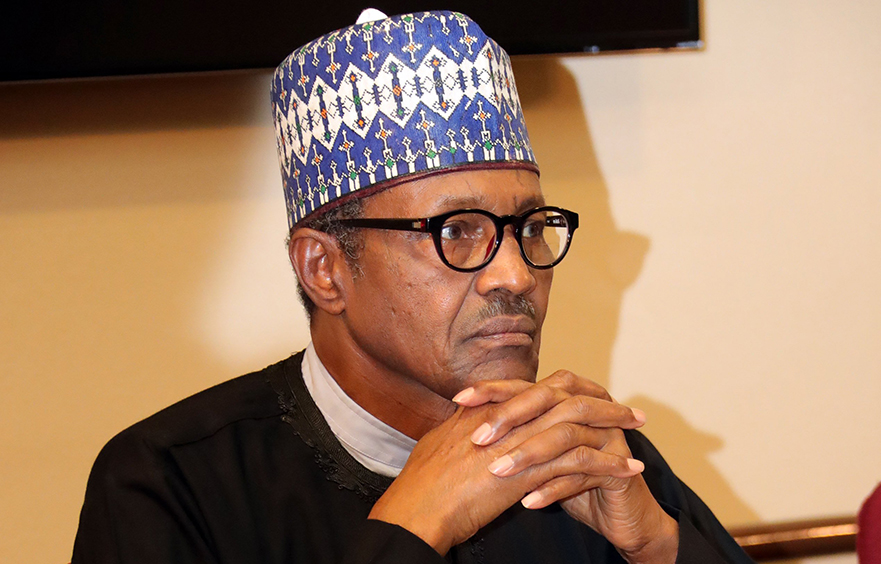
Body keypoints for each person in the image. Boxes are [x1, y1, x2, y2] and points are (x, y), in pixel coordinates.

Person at [72, 9, 755, 564]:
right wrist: (412, 527)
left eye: (529, 228)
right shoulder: (170, 484)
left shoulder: (584, 454)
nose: (517, 274)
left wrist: (659, 545)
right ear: (324, 269)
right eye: (456, 232)